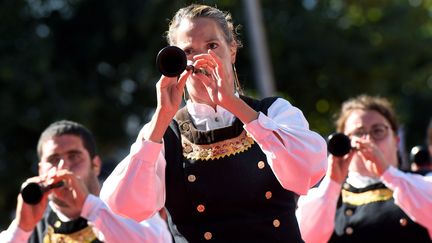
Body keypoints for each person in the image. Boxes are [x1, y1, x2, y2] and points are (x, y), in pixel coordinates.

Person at [100, 3, 327, 242]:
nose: (200, 60)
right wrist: (161, 118)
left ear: (232, 50)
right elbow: (122, 207)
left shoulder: (274, 112)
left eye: (212, 46)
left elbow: (310, 170)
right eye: (187, 51)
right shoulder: (162, 135)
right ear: (174, 61)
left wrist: (232, 103)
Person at [0, 120, 171, 243]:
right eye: (53, 159)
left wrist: (89, 206)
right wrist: (21, 229)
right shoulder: (31, 225)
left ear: (95, 165)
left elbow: (156, 240)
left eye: (73, 157)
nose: (63, 166)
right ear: (40, 170)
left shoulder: (122, 204)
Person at [296, 95, 432, 243]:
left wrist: (388, 173)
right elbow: (303, 237)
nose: (368, 140)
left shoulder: (422, 183)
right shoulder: (327, 196)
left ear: (396, 139)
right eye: (358, 133)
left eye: (378, 131)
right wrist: (332, 184)